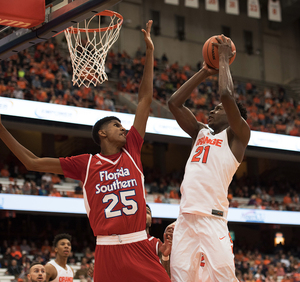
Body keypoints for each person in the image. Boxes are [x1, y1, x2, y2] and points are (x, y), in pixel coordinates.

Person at [0, 20, 171, 282]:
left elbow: (145, 100)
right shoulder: (86, 163)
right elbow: (32, 161)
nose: (124, 129)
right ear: (102, 133)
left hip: (139, 245)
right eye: (117, 126)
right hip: (106, 249)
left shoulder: (132, 151)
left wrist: (149, 53)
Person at [168, 35, 250, 281]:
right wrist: (204, 71)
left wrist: (223, 58)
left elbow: (226, 95)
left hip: (212, 219)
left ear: (235, 116)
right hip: (185, 218)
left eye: (219, 108)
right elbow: (174, 103)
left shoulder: (238, 135)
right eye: (213, 108)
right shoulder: (200, 132)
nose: (213, 109)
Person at [146, 204, 172, 277]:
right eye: (142, 212)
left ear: (151, 221)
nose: (144, 214)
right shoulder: (126, 240)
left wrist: (165, 256)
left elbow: (167, 276)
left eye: (147, 212)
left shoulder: (157, 244)